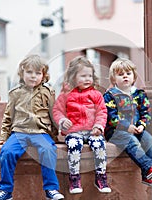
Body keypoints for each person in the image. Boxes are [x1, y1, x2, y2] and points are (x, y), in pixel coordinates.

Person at [0, 54, 64, 200]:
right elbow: (8, 116)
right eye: (29, 72)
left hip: (40, 132)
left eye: (38, 73)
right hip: (19, 132)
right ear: (22, 73)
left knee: (48, 150)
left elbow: (53, 114)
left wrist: (56, 136)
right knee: (7, 152)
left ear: (43, 76)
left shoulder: (48, 92)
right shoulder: (15, 93)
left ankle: (51, 190)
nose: (33, 76)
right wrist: (3, 137)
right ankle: (6, 190)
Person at [103, 58, 152, 187]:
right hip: (116, 132)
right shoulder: (110, 95)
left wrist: (142, 125)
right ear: (114, 79)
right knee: (131, 141)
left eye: (128, 73)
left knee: (150, 140)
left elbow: (146, 112)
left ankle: (148, 175)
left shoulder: (139, 94)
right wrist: (127, 127)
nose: (125, 76)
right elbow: (111, 116)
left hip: (136, 129)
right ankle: (148, 167)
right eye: (120, 74)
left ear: (134, 77)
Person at [52, 56, 111, 194]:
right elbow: (57, 110)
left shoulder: (96, 94)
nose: (87, 79)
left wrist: (98, 126)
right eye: (83, 76)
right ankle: (74, 178)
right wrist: (62, 120)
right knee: (74, 145)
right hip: (74, 131)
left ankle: (101, 177)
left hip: (92, 131)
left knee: (99, 146)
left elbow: (102, 112)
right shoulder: (66, 95)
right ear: (73, 77)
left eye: (90, 75)